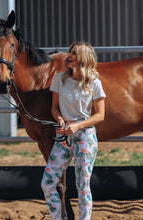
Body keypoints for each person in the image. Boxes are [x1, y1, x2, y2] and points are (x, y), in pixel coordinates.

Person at [41, 41, 106, 220]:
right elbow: (54, 108)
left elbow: (100, 115)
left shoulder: (95, 83)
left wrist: (77, 125)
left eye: (74, 54)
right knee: (47, 183)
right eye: (70, 52)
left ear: (84, 59)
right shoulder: (60, 79)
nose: (69, 56)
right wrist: (60, 119)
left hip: (85, 137)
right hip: (64, 136)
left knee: (82, 186)